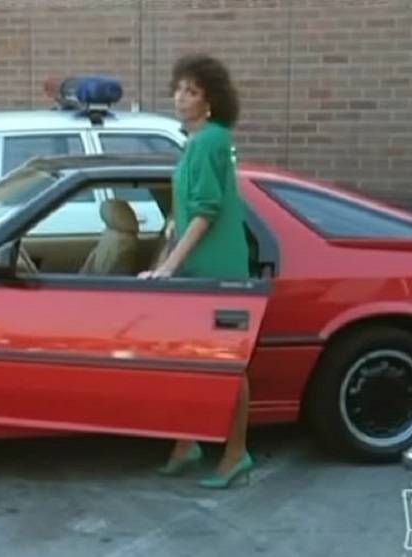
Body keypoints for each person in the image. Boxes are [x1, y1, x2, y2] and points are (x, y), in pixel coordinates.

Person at [139, 54, 253, 489]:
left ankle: (237, 455)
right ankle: (187, 445)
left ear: (210, 101)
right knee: (189, 360)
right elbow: (182, 214)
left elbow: (206, 212)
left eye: (191, 91)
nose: (179, 97)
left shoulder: (209, 142)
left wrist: (169, 267)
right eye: (179, 89)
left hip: (217, 270)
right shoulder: (197, 142)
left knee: (228, 365)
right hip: (197, 269)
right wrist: (162, 261)